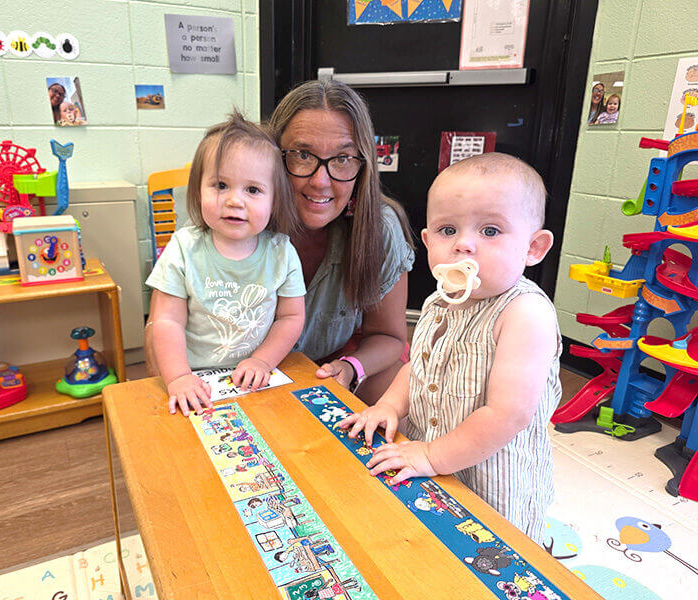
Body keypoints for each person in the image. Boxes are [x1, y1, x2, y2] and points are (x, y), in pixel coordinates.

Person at [338, 152, 561, 544]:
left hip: (493, 484)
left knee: (490, 557)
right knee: (433, 542)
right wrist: (389, 406)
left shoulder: (525, 314)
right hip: (431, 461)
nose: (464, 245)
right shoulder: (440, 302)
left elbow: (508, 414)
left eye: (490, 231)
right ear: (426, 241)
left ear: (534, 248)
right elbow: (419, 365)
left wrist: (431, 456)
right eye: (447, 230)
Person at [145, 111, 306, 415]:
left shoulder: (282, 252)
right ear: (198, 189)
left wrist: (263, 360)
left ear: (275, 200)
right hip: (193, 378)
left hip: (256, 378)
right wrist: (178, 376)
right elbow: (167, 321)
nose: (235, 200)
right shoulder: (183, 247)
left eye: (253, 190)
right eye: (220, 185)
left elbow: (291, 318)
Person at [269, 80, 415, 405]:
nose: (321, 181)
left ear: (363, 166)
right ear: (274, 157)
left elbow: (389, 337)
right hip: (246, 370)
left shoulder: (380, 228)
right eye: (303, 155)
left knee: (394, 399)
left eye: (343, 159)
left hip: (333, 366)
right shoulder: (238, 217)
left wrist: (350, 368)